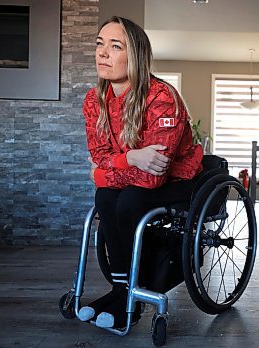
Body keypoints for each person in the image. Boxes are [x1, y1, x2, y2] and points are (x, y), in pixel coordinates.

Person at [78, 16, 203, 329]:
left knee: (129, 200)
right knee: (105, 196)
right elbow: (99, 156)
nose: (102, 53)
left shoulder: (162, 98)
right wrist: (131, 158)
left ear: (135, 56)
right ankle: (122, 290)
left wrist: (103, 170)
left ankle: (132, 292)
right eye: (99, 44)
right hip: (135, 177)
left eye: (115, 46)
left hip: (180, 179)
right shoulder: (94, 100)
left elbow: (152, 177)